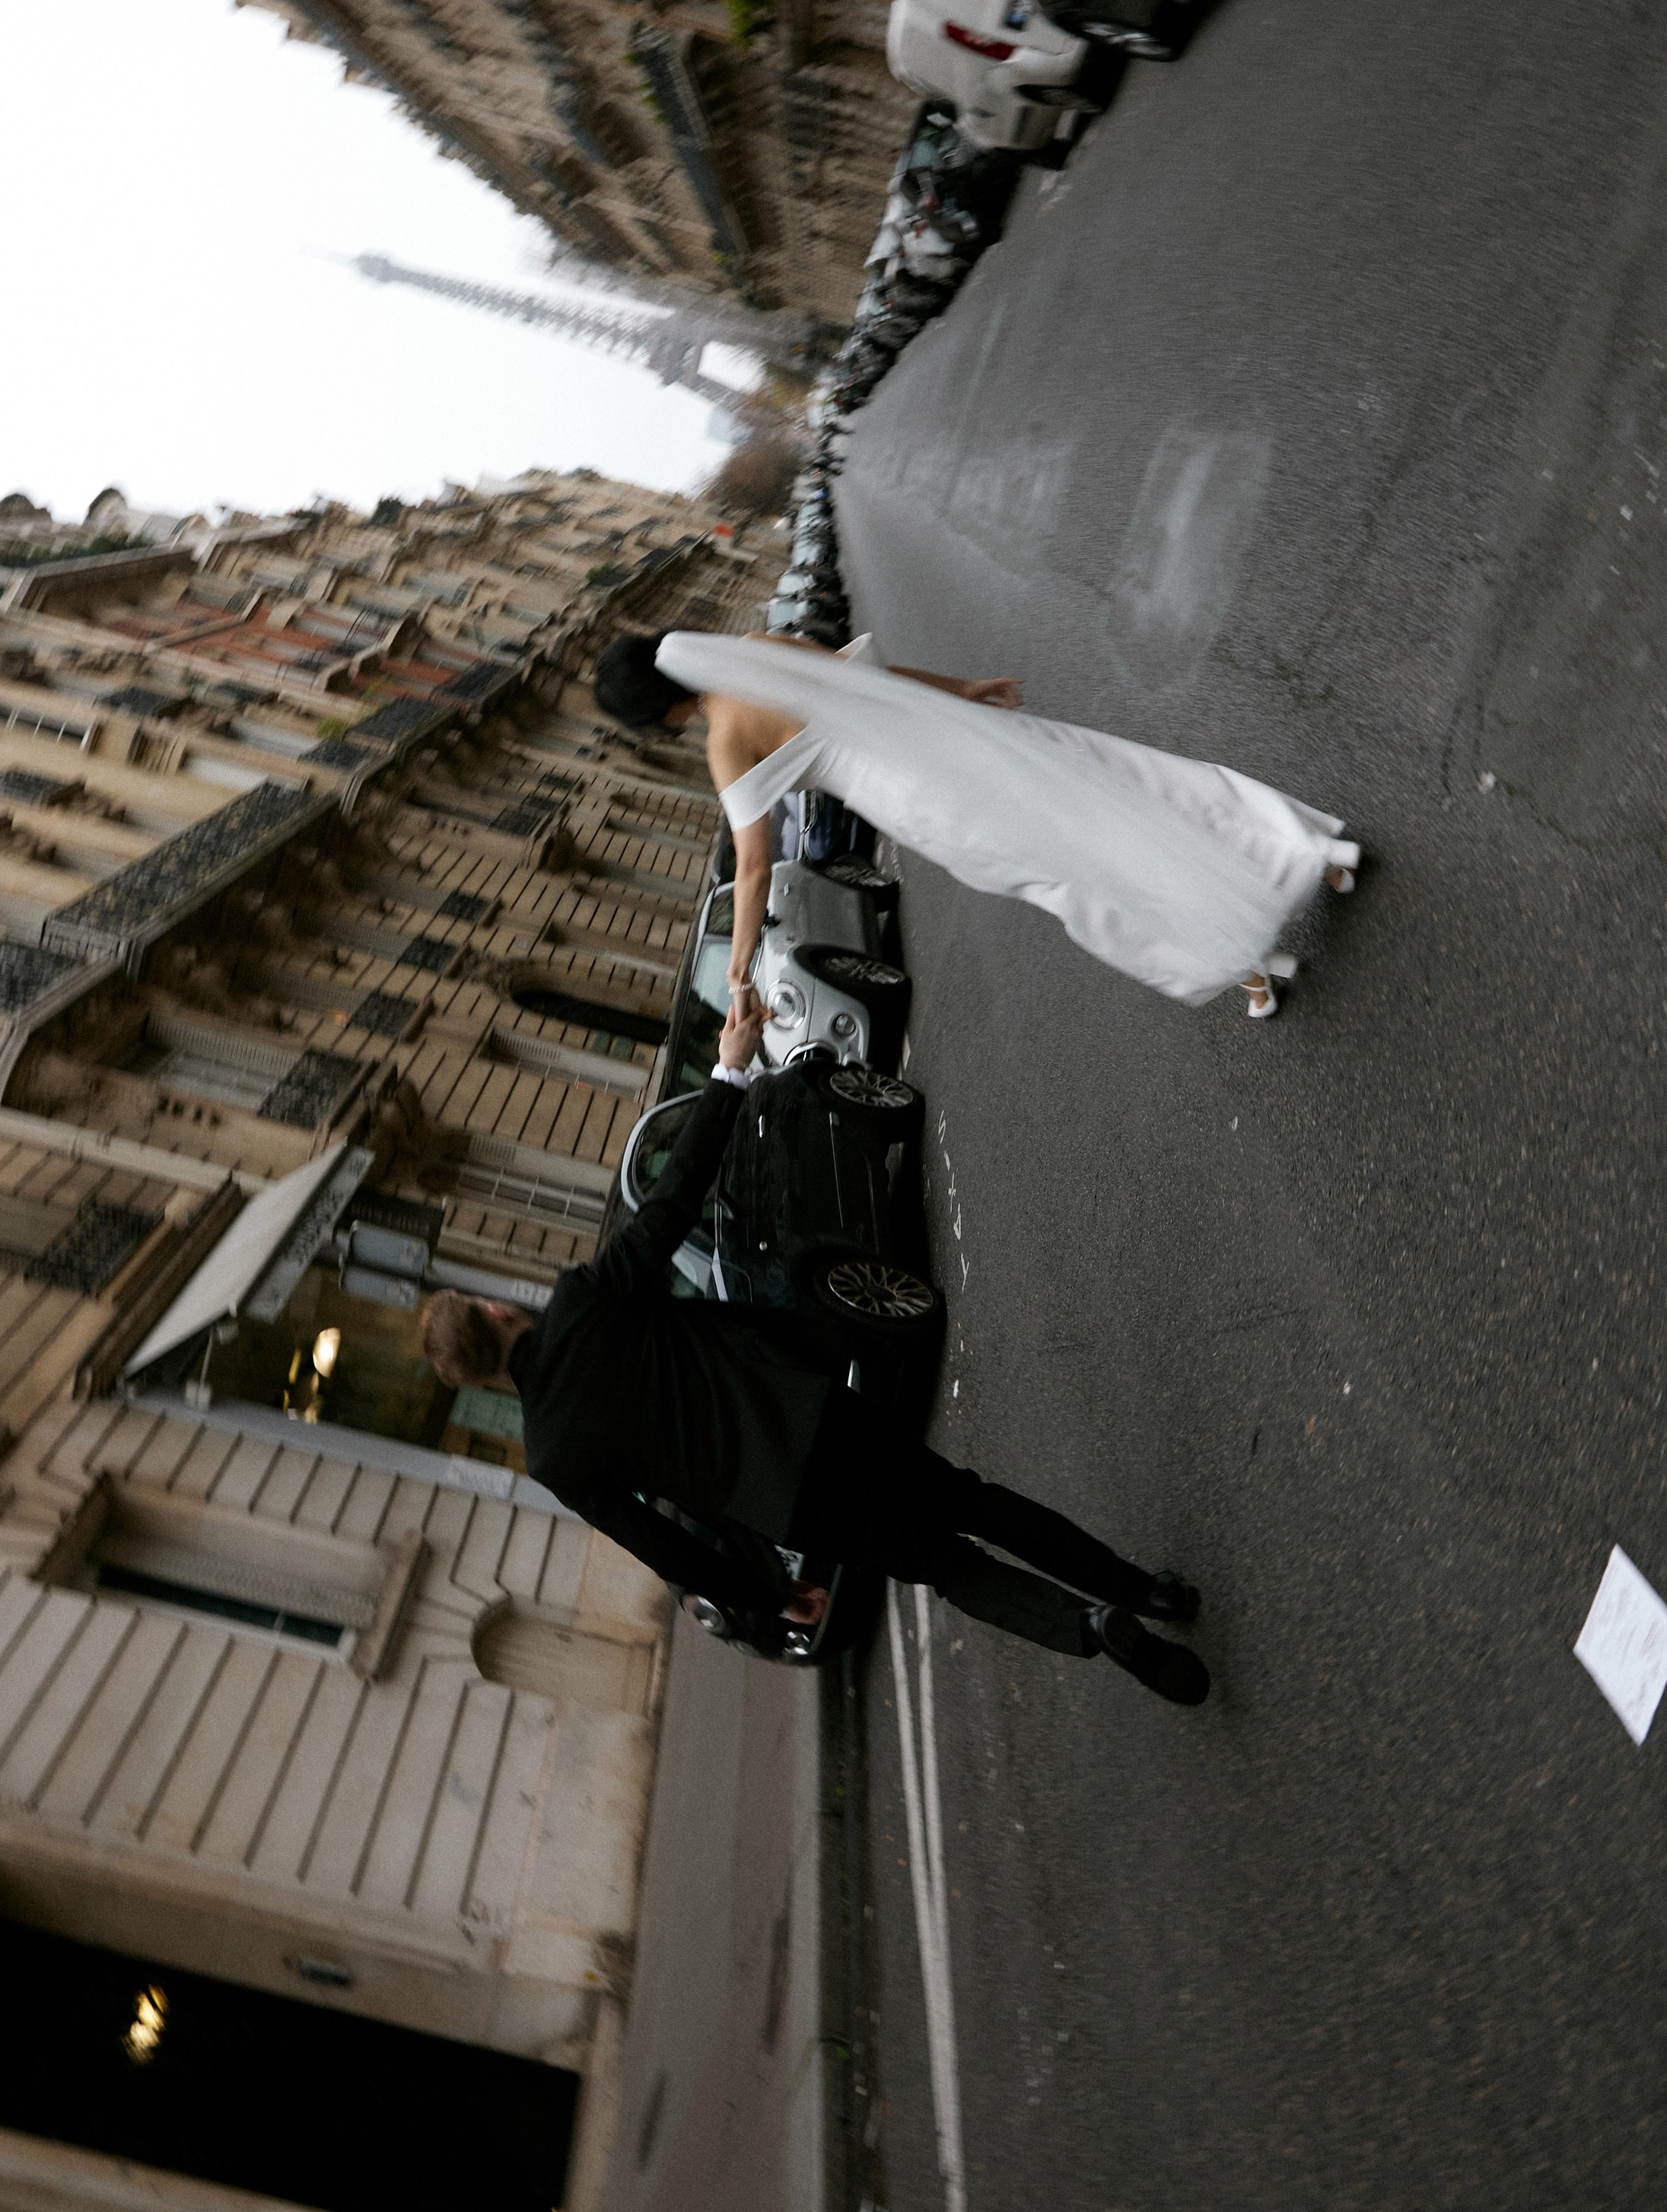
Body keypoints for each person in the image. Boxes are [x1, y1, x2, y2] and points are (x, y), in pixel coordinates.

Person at [421, 1002, 1210, 1706]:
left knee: (942, 1564)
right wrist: (727, 1070)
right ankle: (1142, 1591)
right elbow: (671, 1204)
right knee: (970, 1500)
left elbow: (663, 1544)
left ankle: (1089, 1624)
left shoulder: (554, 1455)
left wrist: (769, 1595)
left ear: (483, 1373)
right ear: (493, 1311)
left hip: (786, 1504)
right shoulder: (582, 1301)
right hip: (808, 1412)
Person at [590, 627, 1360, 1020]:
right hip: (960, 740)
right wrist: (962, 688)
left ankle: (1248, 967)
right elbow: (876, 679)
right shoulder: (760, 649)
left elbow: (754, 867)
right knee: (1135, 785)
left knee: (1087, 882)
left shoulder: (727, 742)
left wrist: (739, 963)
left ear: (653, 715)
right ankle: (1312, 852)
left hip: (934, 806)